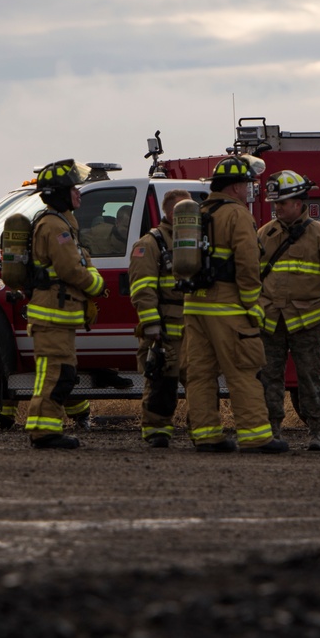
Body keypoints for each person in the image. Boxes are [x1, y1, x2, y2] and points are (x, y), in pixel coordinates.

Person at [180, 156, 288, 453]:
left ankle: (206, 435)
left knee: (200, 374)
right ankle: (255, 436)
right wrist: (252, 301)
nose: (249, 190)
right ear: (237, 186)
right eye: (247, 185)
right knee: (244, 370)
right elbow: (246, 261)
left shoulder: (198, 211)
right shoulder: (237, 215)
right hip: (228, 307)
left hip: (194, 305)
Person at [258, 170, 320, 450]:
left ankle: (317, 434)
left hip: (309, 322)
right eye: (275, 204)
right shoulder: (265, 234)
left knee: (311, 377)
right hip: (271, 319)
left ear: (298, 203)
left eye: (281, 203)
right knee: (268, 377)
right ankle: (273, 430)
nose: (276, 208)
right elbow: (252, 277)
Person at [23, 159, 106, 450]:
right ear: (60, 193)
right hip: (52, 315)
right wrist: (97, 286)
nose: (79, 193)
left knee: (61, 374)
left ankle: (46, 430)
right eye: (73, 188)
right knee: (55, 374)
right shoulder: (55, 226)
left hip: (60, 315)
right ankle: (44, 433)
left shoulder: (61, 223)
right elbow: (71, 269)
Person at [129, 189, 190, 447]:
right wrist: (152, 324)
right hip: (165, 325)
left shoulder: (196, 242)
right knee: (162, 380)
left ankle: (204, 430)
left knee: (200, 380)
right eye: (181, 212)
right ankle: (156, 431)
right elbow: (142, 289)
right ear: (168, 212)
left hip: (194, 324)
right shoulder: (150, 244)